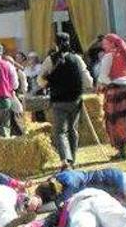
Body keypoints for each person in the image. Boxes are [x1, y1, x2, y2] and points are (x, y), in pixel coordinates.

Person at [39, 33, 93, 169]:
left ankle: (66, 160)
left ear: (55, 44)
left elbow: (40, 81)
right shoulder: (77, 59)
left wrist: (49, 82)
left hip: (59, 101)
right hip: (75, 100)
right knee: (72, 130)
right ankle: (72, 160)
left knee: (60, 132)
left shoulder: (50, 60)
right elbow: (88, 81)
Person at [97, 34, 126, 160]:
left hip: (117, 89)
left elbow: (103, 77)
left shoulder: (109, 56)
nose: (103, 45)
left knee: (116, 120)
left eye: (105, 43)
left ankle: (122, 152)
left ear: (112, 44)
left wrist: (102, 86)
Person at [34, 167, 126, 208]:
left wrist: (62, 199)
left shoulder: (65, 178)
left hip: (112, 179)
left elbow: (73, 182)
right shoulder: (58, 185)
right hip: (112, 186)